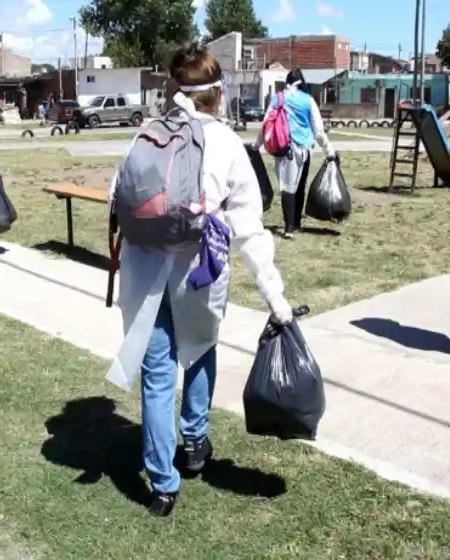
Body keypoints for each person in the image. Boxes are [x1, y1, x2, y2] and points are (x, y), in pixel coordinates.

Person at [109, 43, 295, 517]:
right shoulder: (228, 144)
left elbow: (120, 197)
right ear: (219, 93)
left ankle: (162, 486)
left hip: (146, 268)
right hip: (199, 272)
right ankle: (193, 443)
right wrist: (275, 296)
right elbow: (250, 229)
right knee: (200, 349)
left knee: (156, 376)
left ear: (175, 87)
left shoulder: (146, 134)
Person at [255, 69, 335, 239]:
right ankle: (296, 223)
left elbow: (266, 125)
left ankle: (289, 227)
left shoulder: (278, 98)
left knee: (287, 187)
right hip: (306, 149)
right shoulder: (308, 100)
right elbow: (318, 130)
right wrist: (328, 150)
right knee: (300, 187)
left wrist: (256, 145)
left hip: (286, 149)